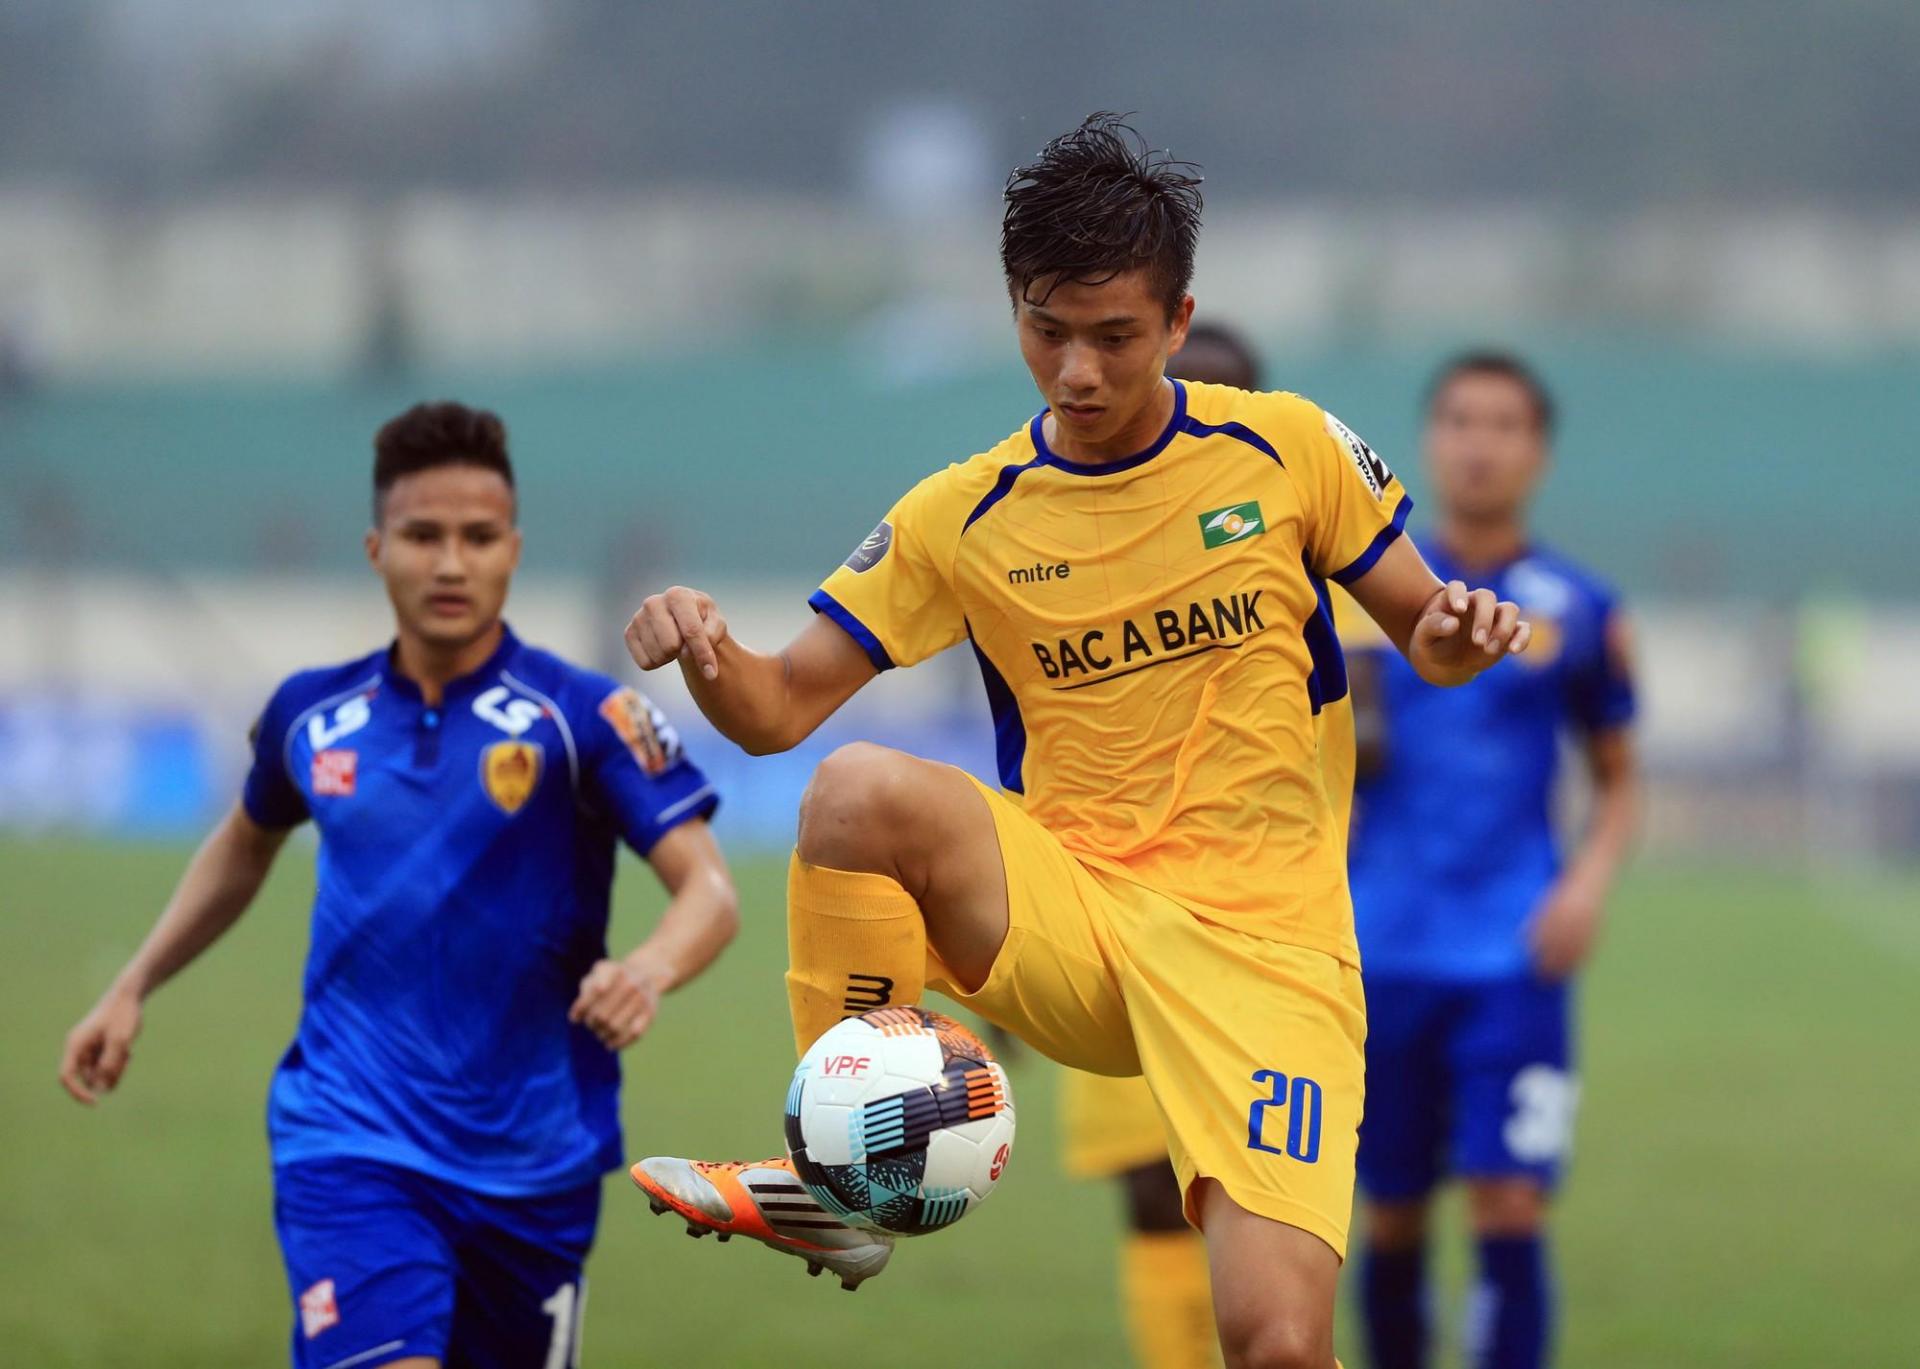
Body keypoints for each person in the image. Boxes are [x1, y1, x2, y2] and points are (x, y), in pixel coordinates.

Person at [622, 115, 1529, 1369]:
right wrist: (708, 649)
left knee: (1277, 1344)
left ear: (1178, 318)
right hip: (1076, 915)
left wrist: (1460, 633)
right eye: (1047, 330)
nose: (1078, 371)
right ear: (1015, 309)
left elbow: (1424, 630)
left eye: (1114, 336)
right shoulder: (965, 513)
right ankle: (838, 1179)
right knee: (855, 793)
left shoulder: (1287, 448)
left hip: (1269, 952)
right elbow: (776, 709)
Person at [58, 402, 739, 1369]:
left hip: (534, 1162)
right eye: (423, 535)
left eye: (478, 537)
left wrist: (648, 970)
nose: (450, 563)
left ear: (514, 550)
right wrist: (133, 982)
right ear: (378, 549)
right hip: (349, 1138)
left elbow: (709, 889)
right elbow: (244, 844)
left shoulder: (584, 715)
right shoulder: (309, 715)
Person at [1346, 353, 1639, 1369]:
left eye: (1505, 424)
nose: (1480, 444)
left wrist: (1585, 887)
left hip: (1514, 951)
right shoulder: (1364, 596)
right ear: (1429, 440)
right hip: (1374, 947)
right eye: (1461, 420)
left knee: (1510, 1200)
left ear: (1539, 451)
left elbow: (1619, 777)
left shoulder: (1582, 607)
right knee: (1389, 1210)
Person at [1053, 320, 1285, 1369]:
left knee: (1256, 1193)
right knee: (1150, 1189)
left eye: (1220, 396)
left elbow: (1368, 733)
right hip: (1111, 916)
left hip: (1259, 928)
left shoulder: (1296, 540)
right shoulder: (1077, 555)